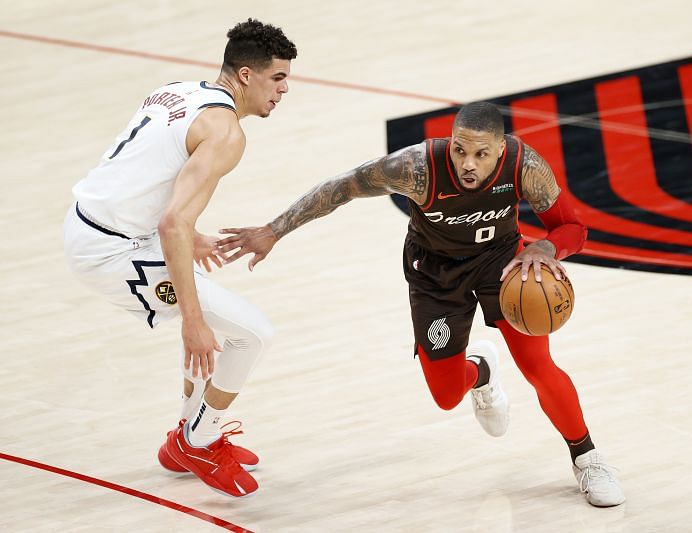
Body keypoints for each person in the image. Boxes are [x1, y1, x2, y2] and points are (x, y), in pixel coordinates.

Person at [216, 102, 625, 507]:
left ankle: (587, 459)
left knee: (539, 367)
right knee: (446, 396)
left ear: (500, 150)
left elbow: (573, 226)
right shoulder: (417, 168)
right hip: (435, 277)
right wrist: (274, 230)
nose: (468, 163)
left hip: (500, 266)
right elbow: (342, 186)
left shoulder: (523, 165)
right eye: (460, 150)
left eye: (481, 154)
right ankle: (481, 371)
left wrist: (547, 246)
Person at [62, 19, 297, 498]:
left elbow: (140, 175)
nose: (285, 89)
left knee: (223, 326)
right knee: (250, 334)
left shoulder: (177, 90)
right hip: (110, 250)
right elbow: (172, 222)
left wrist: (193, 236)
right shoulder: (227, 132)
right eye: (278, 78)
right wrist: (191, 319)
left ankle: (185, 438)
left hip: (97, 221)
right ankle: (200, 439)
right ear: (247, 75)